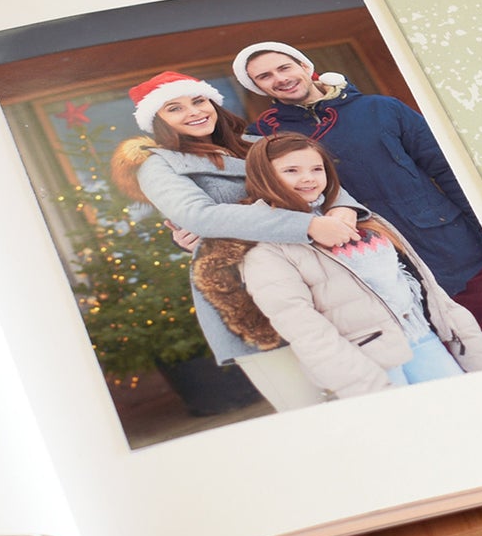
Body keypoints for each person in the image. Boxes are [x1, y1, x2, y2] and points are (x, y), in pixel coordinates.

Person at [236, 41, 482, 365]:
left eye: (284, 67)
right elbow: (249, 190)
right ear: (258, 87)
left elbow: (449, 170)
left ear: (304, 66)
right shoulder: (265, 138)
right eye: (264, 77)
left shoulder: (381, 108)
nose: (279, 78)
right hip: (374, 266)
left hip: (450, 247)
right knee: (446, 366)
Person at [109, 71, 361, 413]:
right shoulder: (158, 165)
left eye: (198, 100)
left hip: (320, 277)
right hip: (244, 291)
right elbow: (199, 216)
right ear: (157, 120)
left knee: (363, 384)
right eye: (175, 108)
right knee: (309, 405)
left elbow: (319, 178)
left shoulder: (256, 143)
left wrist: (343, 208)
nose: (194, 112)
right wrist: (308, 224)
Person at [237, 133, 482, 400]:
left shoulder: (363, 221)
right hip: (366, 360)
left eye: (317, 169)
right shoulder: (267, 249)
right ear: (264, 176)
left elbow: (422, 285)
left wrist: (466, 339)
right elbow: (303, 328)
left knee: (463, 409)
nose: (308, 178)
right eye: (291, 170)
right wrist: (359, 381)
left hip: (421, 337)